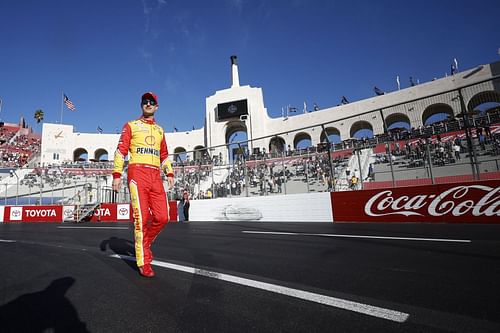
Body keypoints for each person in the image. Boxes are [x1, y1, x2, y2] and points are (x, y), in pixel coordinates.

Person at [112, 92, 174, 278]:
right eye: (145, 102)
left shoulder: (160, 130)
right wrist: (116, 174)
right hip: (137, 173)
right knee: (142, 218)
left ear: (157, 107)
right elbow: (120, 151)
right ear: (141, 105)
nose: (148, 104)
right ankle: (144, 261)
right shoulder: (131, 125)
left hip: (155, 174)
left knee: (163, 217)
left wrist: (169, 173)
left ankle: (145, 241)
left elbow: (164, 155)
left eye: (152, 102)